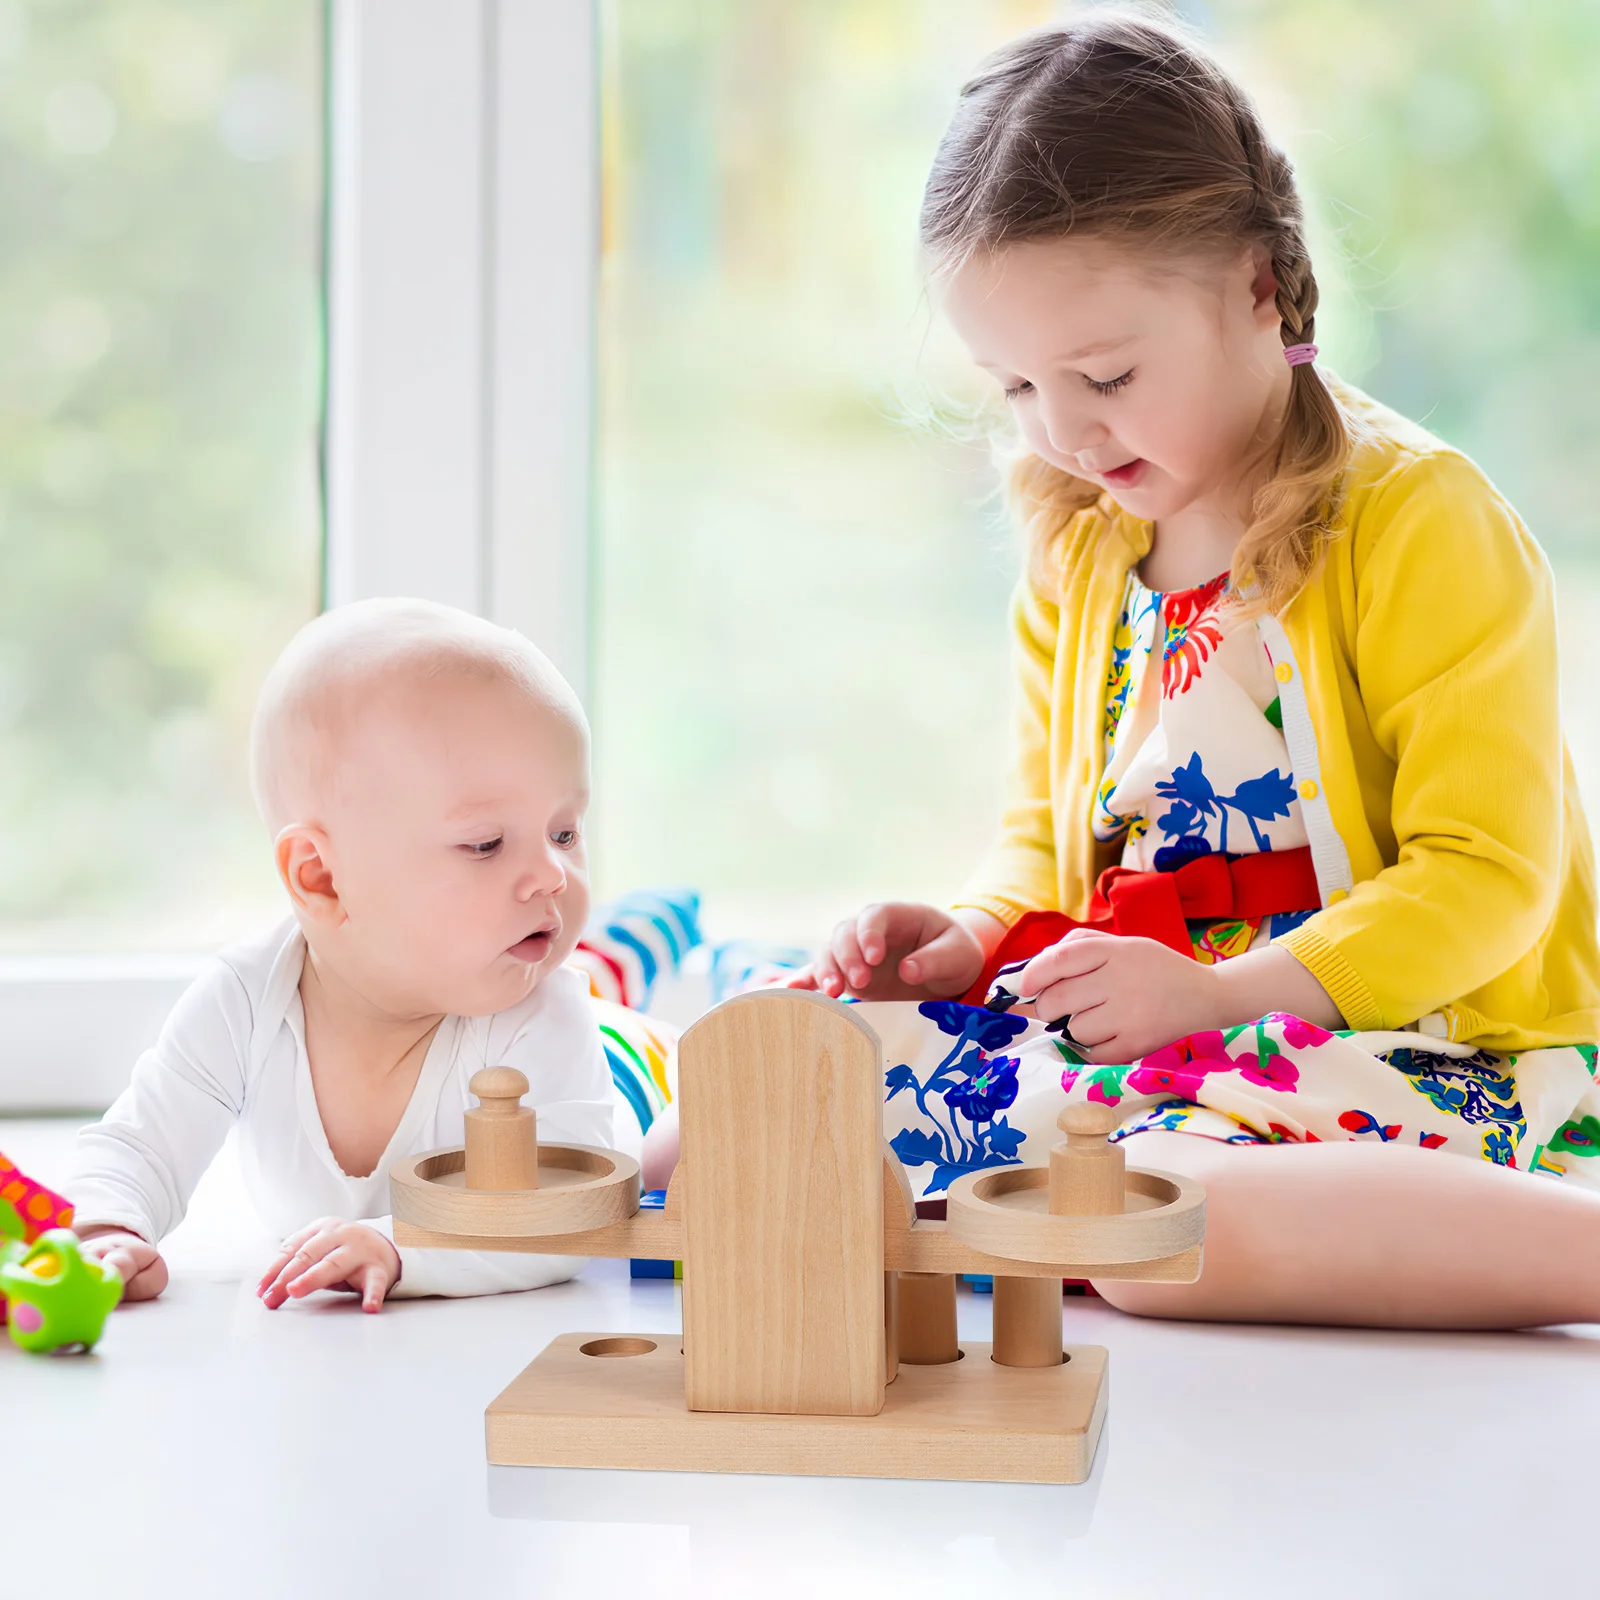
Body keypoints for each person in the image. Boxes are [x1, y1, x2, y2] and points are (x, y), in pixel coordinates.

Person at [786, 14, 1600, 1329]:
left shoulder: (1419, 521)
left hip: (1416, 1049)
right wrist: (972, 937)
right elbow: (1045, 850)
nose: (1063, 431)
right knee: (790, 1091)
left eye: (1104, 374)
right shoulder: (1082, 544)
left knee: (1155, 1224)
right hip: (1166, 1051)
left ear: (1261, 284)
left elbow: (1489, 881)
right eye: (1017, 389)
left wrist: (1222, 993)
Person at [70, 598, 612, 1312]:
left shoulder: (543, 1016)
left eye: (565, 832)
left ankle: (635, 953)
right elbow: (138, 1144)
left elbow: (570, 1214)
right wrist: (106, 1228)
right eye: (485, 843)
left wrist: (402, 1246)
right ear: (321, 877)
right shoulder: (244, 1000)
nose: (550, 874)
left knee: (675, 1133)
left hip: (619, 1070)